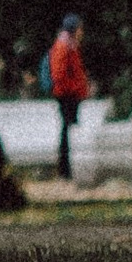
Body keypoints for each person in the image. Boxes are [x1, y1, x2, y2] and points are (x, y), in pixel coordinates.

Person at [47, 10, 91, 163]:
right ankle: (66, 165)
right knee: (68, 130)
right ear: (73, 29)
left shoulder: (71, 46)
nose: (81, 32)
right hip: (67, 95)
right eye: (79, 28)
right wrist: (76, 88)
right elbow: (59, 75)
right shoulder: (63, 47)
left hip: (70, 94)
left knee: (70, 129)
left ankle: (69, 164)